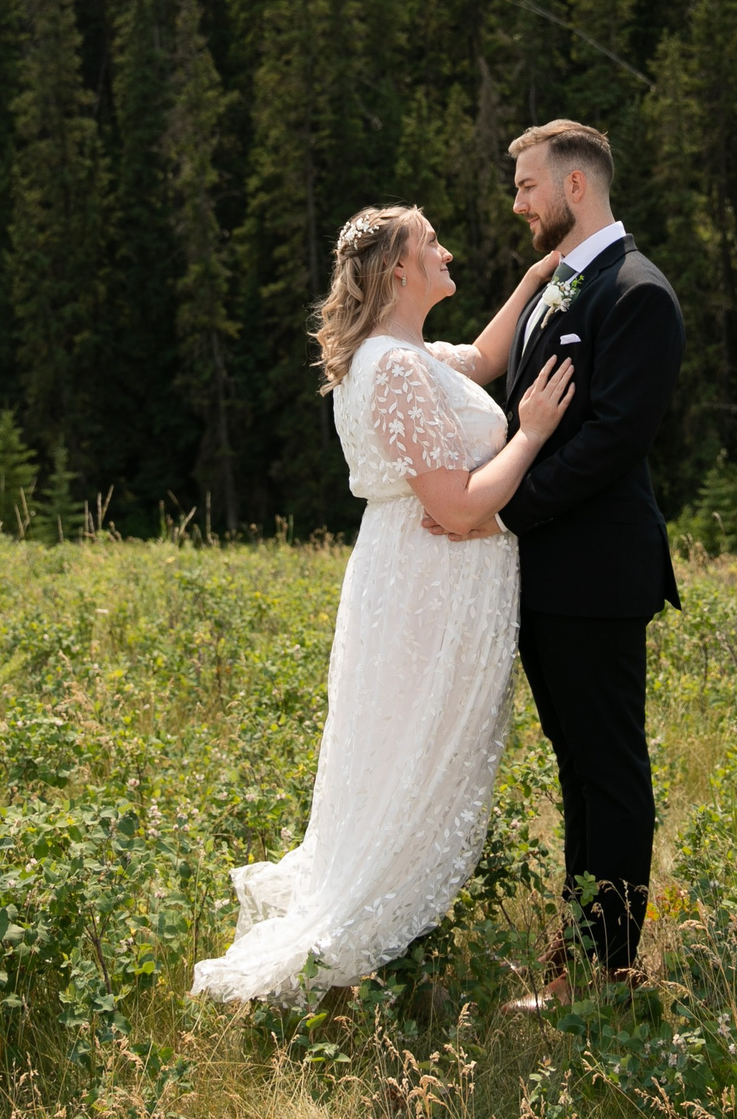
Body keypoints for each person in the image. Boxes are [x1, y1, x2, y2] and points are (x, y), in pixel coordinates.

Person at [189, 206, 575, 1004]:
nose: (447, 251)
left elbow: (484, 355)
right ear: (399, 268)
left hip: (421, 579)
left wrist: (539, 277)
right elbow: (460, 504)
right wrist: (530, 433)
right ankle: (356, 963)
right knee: (411, 764)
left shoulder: (405, 355)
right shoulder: (394, 370)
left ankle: (387, 961)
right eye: (431, 243)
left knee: (409, 763)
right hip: (426, 587)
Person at [469, 119, 686, 998]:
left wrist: (506, 502)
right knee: (576, 768)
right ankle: (579, 961)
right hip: (548, 577)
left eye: (526, 186)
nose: (516, 202)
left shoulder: (637, 294)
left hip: (597, 575)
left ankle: (616, 971)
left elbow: (611, 441)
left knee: (611, 771)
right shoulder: (560, 284)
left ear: (573, 188)